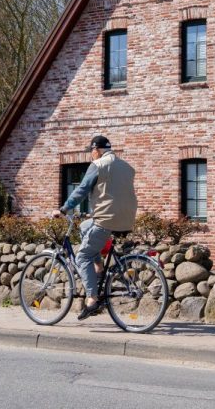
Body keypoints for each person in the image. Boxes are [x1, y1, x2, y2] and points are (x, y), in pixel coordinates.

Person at [52, 135, 138, 320]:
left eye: (91, 151)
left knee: (82, 257)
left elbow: (82, 189)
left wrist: (64, 209)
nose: (91, 155)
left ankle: (92, 299)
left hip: (106, 219)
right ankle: (98, 267)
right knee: (84, 226)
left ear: (96, 150)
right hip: (127, 219)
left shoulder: (98, 165)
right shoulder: (126, 166)